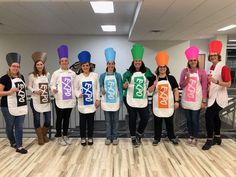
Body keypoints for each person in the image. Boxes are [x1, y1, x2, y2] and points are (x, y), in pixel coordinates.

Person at [123, 43, 155, 147]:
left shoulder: (147, 71)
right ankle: (133, 137)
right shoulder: (128, 73)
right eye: (136, 61)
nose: (137, 62)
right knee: (132, 119)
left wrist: (151, 86)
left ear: (141, 62)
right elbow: (123, 85)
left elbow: (153, 79)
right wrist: (125, 85)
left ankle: (139, 134)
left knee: (145, 118)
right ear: (133, 62)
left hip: (142, 99)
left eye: (139, 61)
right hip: (130, 99)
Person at [202, 40, 231, 150]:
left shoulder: (223, 67)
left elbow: (228, 84)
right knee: (214, 116)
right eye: (211, 55)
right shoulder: (211, 67)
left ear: (218, 56)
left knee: (208, 116)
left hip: (219, 97)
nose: (213, 57)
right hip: (212, 97)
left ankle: (209, 139)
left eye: (215, 55)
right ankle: (217, 137)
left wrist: (216, 81)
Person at [149, 51, 179, 146]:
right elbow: (150, 91)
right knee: (157, 122)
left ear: (166, 68)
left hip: (168, 104)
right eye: (160, 67)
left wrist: (177, 101)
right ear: (158, 68)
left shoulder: (171, 78)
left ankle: (172, 137)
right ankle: (156, 138)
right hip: (157, 105)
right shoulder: (153, 78)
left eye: (164, 67)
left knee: (169, 122)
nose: (162, 68)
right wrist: (155, 83)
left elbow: (175, 90)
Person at [0, 53, 28, 154]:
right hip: (7, 106)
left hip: (20, 104)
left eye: (17, 66)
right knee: (10, 126)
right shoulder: (4, 78)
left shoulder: (22, 77)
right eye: (14, 66)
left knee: (19, 126)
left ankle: (19, 146)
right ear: (9, 67)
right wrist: (9, 92)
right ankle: (13, 142)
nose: (15, 68)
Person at [179, 46, 207, 146]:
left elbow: (204, 87)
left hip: (197, 101)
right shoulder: (184, 71)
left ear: (197, 61)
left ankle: (195, 137)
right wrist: (186, 80)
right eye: (191, 60)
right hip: (186, 100)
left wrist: (204, 101)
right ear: (189, 61)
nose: (193, 62)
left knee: (195, 120)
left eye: (194, 60)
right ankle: (190, 136)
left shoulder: (202, 72)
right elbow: (181, 85)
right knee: (188, 120)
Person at [50, 45, 76, 146]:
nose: (64, 62)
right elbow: (51, 84)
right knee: (59, 118)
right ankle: (59, 136)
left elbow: (75, 85)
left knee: (67, 118)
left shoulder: (72, 73)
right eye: (62, 61)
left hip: (69, 100)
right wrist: (53, 89)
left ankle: (65, 135)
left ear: (68, 62)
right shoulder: (56, 73)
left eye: (66, 61)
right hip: (60, 99)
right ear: (59, 62)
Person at [74, 51, 100, 146]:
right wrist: (78, 94)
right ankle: (82, 138)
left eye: (87, 65)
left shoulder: (95, 76)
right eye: (84, 65)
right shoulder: (78, 77)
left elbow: (97, 88)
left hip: (92, 103)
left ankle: (90, 137)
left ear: (90, 66)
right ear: (81, 67)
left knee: (91, 122)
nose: (85, 67)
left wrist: (98, 100)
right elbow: (75, 89)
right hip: (82, 104)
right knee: (82, 122)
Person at [99, 48, 123, 145]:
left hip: (116, 101)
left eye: (112, 63)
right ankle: (108, 137)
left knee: (116, 121)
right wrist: (102, 90)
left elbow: (120, 88)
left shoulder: (118, 75)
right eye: (109, 63)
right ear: (107, 64)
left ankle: (115, 137)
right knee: (108, 122)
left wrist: (121, 100)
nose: (111, 65)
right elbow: (99, 86)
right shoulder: (102, 76)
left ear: (114, 65)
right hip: (106, 101)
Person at [28, 51, 51, 145]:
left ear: (43, 65)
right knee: (37, 119)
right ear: (35, 65)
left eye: (41, 64)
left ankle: (43, 133)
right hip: (36, 100)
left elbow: (49, 85)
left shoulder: (47, 74)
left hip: (45, 99)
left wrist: (52, 88)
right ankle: (41, 137)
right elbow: (28, 86)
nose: (39, 66)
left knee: (48, 120)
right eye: (38, 64)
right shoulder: (32, 75)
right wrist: (34, 91)